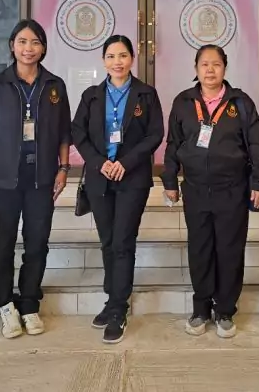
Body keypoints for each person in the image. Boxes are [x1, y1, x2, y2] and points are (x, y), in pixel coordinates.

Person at [161, 44, 259, 339]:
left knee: (229, 250)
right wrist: (169, 180)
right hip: (195, 189)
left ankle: (225, 310)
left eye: (216, 64)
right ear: (196, 68)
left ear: (225, 68)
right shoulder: (184, 102)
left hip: (232, 190)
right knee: (200, 249)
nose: (210, 70)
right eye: (204, 64)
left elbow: (256, 145)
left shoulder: (241, 103)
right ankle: (200, 309)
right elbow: (173, 144)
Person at [0, 19, 72, 340]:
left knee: (37, 244)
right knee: (1, 246)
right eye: (22, 42)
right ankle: (5, 305)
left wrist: (63, 168)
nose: (28, 49)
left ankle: (29, 304)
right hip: (3, 181)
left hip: (41, 180)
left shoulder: (55, 86)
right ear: (12, 46)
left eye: (35, 42)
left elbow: (64, 132)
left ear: (43, 48)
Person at [71, 35, 164, 344]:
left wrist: (126, 162)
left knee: (123, 241)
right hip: (100, 178)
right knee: (108, 241)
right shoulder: (92, 96)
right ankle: (113, 298)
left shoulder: (146, 94)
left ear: (132, 58)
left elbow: (155, 134)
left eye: (123, 55)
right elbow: (78, 133)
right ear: (103, 61)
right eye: (111, 56)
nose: (117, 62)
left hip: (132, 179)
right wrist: (100, 163)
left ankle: (118, 309)